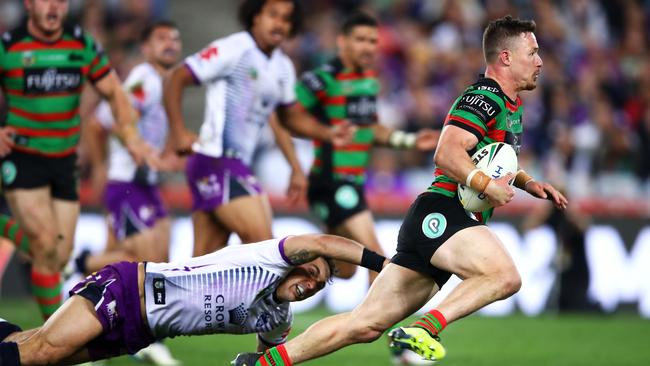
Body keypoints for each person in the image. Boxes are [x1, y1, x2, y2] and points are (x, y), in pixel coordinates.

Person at [232, 15, 569, 366]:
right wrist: (486, 186)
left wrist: (528, 182)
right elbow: (448, 152)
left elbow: (492, 158)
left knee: (362, 324)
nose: (540, 61)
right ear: (506, 58)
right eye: (533, 52)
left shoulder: (511, 105)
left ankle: (263, 363)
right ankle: (423, 330)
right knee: (504, 276)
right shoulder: (483, 97)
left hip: (437, 220)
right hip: (444, 212)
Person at [0, 233, 387, 365]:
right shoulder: (269, 259)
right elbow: (324, 243)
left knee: (37, 353)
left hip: (141, 332)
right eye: (310, 272)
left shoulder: (277, 320)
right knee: (44, 352)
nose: (309, 285)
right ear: (297, 262)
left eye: (318, 286)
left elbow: (267, 359)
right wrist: (388, 266)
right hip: (127, 290)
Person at [163, 0, 352, 257]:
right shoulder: (233, 49)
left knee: (203, 267)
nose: (279, 24)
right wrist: (178, 132)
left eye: (286, 19)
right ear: (255, 17)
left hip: (234, 165)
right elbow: (177, 77)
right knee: (265, 248)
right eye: (273, 15)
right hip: (215, 161)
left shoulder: (282, 66)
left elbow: (288, 118)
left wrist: (327, 135)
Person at [0, 0, 149, 320]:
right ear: (28, 4)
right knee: (43, 243)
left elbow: (115, 92)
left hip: (64, 162)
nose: (53, 6)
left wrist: (132, 136)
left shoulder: (81, 45)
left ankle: (4, 228)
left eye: (60, 0)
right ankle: (53, 338)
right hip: (22, 156)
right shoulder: (9, 46)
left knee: (58, 254)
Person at [295, 12, 439, 285]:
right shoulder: (323, 79)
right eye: (360, 39)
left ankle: (285, 271)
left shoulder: (369, 81)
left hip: (353, 181)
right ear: (342, 42)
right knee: (375, 256)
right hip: (332, 179)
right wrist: (315, 141)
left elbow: (371, 129)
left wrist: (408, 140)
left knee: (343, 268)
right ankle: (369, 328)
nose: (367, 47)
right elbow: (286, 115)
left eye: (372, 41)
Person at [76, 20, 185, 366]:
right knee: (144, 262)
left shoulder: (164, 84)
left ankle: (84, 277)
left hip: (145, 181)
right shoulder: (144, 80)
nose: (171, 44)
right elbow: (99, 123)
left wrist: (164, 156)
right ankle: (141, 338)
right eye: (162, 38)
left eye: (175, 39)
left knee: (146, 257)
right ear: (147, 48)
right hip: (125, 181)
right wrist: (101, 168)